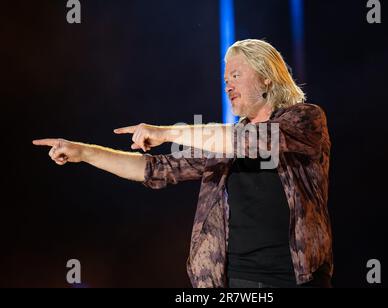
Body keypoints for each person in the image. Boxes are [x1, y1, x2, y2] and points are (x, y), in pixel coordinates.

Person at [33, 39, 333, 288]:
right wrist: (83, 152)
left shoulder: (305, 119)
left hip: (296, 280)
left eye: (236, 75)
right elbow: (153, 169)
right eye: (225, 78)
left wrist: (166, 132)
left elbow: (255, 140)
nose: (227, 83)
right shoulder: (220, 143)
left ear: (266, 76)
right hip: (233, 282)